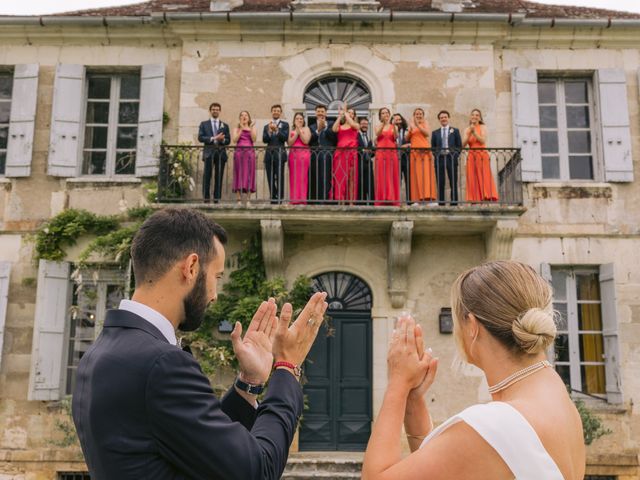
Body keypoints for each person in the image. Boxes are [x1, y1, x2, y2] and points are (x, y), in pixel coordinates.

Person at [72, 208, 329, 480]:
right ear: (191, 267)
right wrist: (287, 368)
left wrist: (248, 384)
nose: (215, 295)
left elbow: (194, 441)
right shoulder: (161, 363)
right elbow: (257, 470)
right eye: (216, 277)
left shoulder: (102, 352)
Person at [362, 260, 585, 480]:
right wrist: (413, 400)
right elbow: (456, 466)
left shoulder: (494, 425)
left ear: (472, 326)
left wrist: (398, 384)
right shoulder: (558, 400)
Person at [462, 108, 498, 203]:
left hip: (481, 154)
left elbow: (483, 140)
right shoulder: (467, 129)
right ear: (470, 117)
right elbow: (463, 145)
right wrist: (470, 133)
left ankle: (485, 197)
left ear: (480, 118)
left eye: (477, 115)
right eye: (473, 114)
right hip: (471, 155)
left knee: (483, 175)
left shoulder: (483, 127)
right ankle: (474, 199)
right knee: (472, 177)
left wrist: (474, 132)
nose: (475, 116)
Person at [198, 102, 230, 203]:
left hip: (221, 154)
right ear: (210, 111)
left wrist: (222, 140)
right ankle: (206, 199)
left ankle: (217, 199)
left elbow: (228, 140)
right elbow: (200, 137)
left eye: (217, 109)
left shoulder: (224, 125)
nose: (215, 111)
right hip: (209, 153)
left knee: (219, 177)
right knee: (207, 176)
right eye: (213, 109)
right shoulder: (204, 124)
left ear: (219, 111)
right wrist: (214, 138)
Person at [431, 110, 462, 206]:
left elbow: (459, 146)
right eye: (441, 118)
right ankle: (441, 202)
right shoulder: (435, 132)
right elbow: (433, 147)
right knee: (440, 181)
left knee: (453, 180)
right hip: (440, 159)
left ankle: (454, 202)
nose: (443, 119)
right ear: (439, 120)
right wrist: (437, 155)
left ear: (448, 118)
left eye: (445, 117)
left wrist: (455, 155)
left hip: (451, 158)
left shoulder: (455, 131)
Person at [406, 108, 436, 205]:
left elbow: (427, 134)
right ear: (414, 115)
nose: (418, 115)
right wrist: (410, 130)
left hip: (425, 151)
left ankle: (429, 199)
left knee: (426, 174)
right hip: (415, 152)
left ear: (423, 115)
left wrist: (418, 125)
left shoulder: (425, 123)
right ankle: (416, 199)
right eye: (416, 114)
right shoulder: (410, 125)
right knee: (415, 175)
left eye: (420, 114)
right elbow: (406, 138)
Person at [331, 104, 360, 204]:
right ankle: (341, 201)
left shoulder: (356, 125)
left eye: (352, 113)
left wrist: (346, 112)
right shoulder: (341, 126)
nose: (350, 114)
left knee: (351, 178)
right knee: (340, 177)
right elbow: (334, 129)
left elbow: (352, 124)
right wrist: (340, 116)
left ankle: (351, 202)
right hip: (340, 153)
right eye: (349, 112)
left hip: (351, 153)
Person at [309, 104, 336, 204]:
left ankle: (326, 200)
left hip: (328, 155)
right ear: (315, 113)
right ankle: (317, 200)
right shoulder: (311, 126)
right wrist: (318, 130)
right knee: (316, 177)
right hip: (315, 156)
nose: (320, 113)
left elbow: (335, 138)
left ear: (326, 113)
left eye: (322, 111)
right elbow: (309, 140)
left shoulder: (331, 123)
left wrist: (325, 129)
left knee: (327, 177)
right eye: (318, 111)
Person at [262, 104, 289, 204]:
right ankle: (273, 197)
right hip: (269, 154)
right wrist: (269, 131)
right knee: (270, 177)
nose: (276, 112)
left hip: (280, 154)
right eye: (274, 110)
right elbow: (265, 140)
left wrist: (277, 130)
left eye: (278, 110)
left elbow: (285, 138)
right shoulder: (266, 126)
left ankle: (279, 199)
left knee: (280, 176)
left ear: (280, 112)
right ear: (271, 112)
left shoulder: (285, 125)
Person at [374, 108, 400, 206]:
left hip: (391, 152)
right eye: (383, 113)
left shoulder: (394, 126)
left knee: (391, 174)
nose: (385, 114)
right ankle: (381, 199)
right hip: (381, 152)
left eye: (386, 113)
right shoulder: (377, 126)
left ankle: (392, 198)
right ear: (380, 116)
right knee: (381, 174)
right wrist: (383, 124)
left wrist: (393, 125)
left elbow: (396, 137)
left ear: (389, 114)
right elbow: (377, 134)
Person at [232, 110, 257, 204]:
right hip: (239, 153)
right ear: (240, 118)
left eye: (246, 115)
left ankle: (248, 200)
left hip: (250, 153)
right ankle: (238, 199)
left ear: (249, 118)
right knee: (238, 173)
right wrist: (241, 129)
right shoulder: (236, 129)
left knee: (249, 174)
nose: (244, 117)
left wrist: (249, 128)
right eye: (242, 115)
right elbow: (234, 140)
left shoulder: (253, 128)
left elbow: (254, 139)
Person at [288, 112, 312, 205]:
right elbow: (289, 143)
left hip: (303, 155)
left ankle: (302, 199)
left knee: (303, 177)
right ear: (294, 121)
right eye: (297, 118)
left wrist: (299, 131)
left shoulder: (306, 128)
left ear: (303, 120)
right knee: (293, 177)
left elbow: (306, 141)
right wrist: (296, 133)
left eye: (301, 118)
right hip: (293, 156)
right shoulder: (292, 130)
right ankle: (294, 199)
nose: (299, 120)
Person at [393, 113, 411, 203]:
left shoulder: (407, 131)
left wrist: (407, 145)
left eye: (399, 120)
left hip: (406, 158)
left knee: (408, 180)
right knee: (396, 181)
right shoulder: (391, 131)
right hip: (395, 159)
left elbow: (412, 143)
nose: (398, 122)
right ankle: (396, 201)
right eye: (396, 120)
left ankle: (409, 201)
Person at [357, 116, 375, 205]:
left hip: (368, 164)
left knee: (370, 184)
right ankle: (361, 204)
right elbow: (355, 148)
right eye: (363, 124)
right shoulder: (356, 135)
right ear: (359, 125)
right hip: (359, 163)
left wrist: (373, 150)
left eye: (366, 124)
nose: (364, 126)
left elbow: (372, 154)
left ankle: (372, 204)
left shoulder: (369, 138)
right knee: (360, 184)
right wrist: (363, 150)